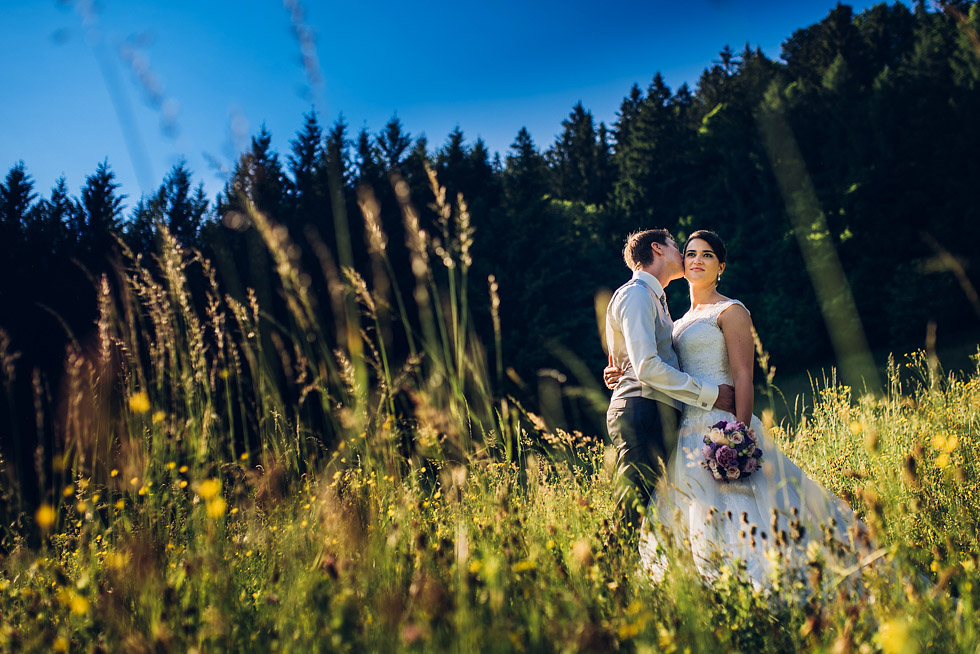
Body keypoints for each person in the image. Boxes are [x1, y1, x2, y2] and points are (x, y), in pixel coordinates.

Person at [606, 230, 867, 585]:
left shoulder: (730, 309)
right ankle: (690, 583)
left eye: (707, 255)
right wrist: (623, 369)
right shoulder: (671, 316)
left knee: (748, 507)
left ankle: (776, 577)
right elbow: (652, 361)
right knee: (678, 510)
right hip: (686, 429)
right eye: (689, 252)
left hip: (723, 423)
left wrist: (739, 434)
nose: (696, 259)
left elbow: (743, 375)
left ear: (721, 267)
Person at [604, 229, 735, 533]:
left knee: (651, 507)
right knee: (633, 509)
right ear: (657, 249)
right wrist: (709, 395)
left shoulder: (654, 298)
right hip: (642, 410)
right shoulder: (636, 294)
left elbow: (638, 358)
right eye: (678, 247)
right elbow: (647, 367)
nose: (684, 255)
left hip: (653, 411)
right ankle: (611, 572)